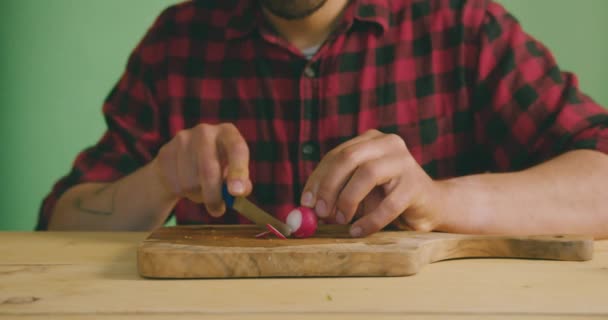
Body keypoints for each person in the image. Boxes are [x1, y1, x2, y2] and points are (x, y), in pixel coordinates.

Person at [39, 0, 608, 239]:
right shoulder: (178, 41)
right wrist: (159, 180)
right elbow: (60, 227)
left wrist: (440, 199)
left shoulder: (461, 24)